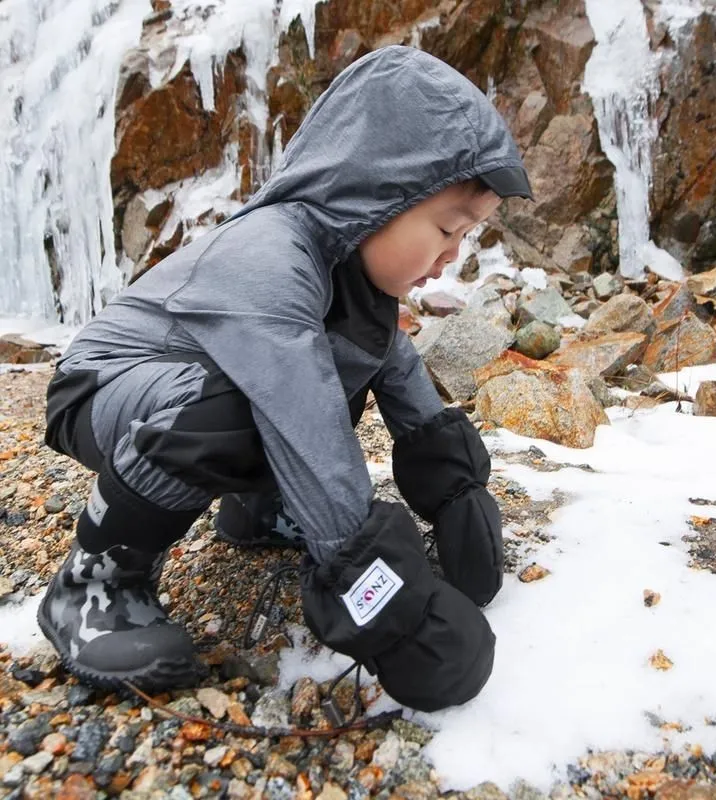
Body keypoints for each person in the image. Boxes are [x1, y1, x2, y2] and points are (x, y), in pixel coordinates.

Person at [39, 45, 532, 711]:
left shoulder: (357, 285)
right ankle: (94, 583)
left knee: (330, 370)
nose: (451, 256)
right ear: (375, 194)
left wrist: (460, 497)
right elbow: (305, 424)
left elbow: (407, 389)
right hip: (102, 387)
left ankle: (257, 512)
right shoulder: (270, 256)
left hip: (200, 385)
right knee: (260, 401)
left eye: (466, 236)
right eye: (447, 228)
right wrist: (385, 602)